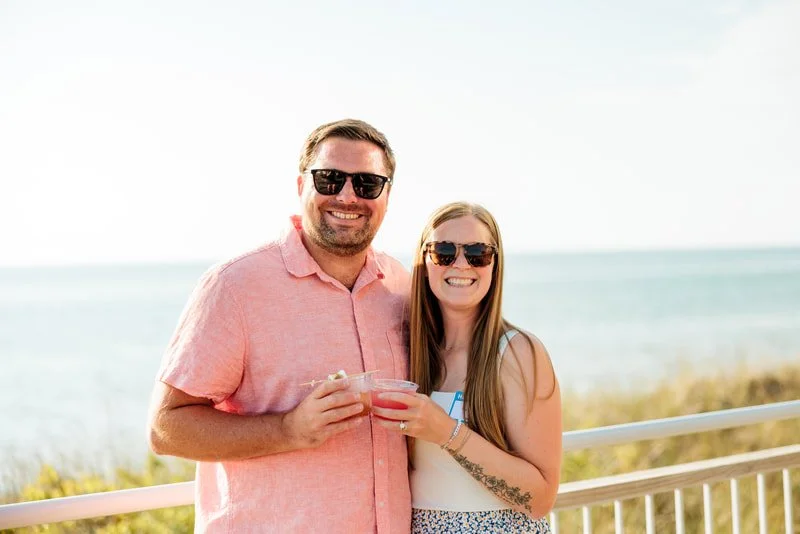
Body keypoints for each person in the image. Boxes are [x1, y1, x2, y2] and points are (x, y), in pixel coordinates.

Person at [147, 119, 412, 533]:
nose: (347, 195)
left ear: (387, 195)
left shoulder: (401, 284)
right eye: (329, 179)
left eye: (366, 183)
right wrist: (288, 430)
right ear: (301, 185)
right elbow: (166, 428)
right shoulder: (235, 286)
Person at [372, 201, 562, 533]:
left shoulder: (517, 353)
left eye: (477, 253)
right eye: (444, 251)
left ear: (494, 265)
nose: (461, 264)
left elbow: (540, 499)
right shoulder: (411, 354)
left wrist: (447, 432)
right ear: (425, 262)